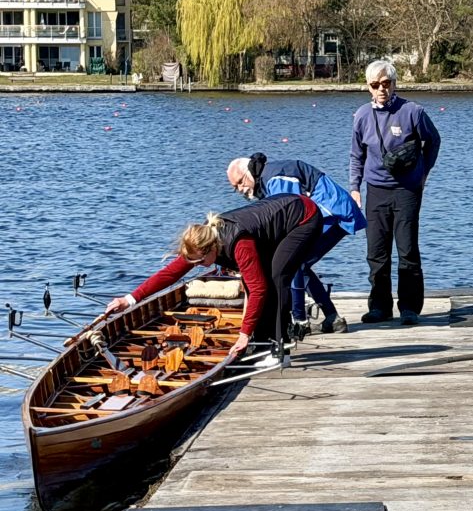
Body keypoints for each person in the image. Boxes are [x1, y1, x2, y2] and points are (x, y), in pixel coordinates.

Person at [104, 194, 323, 363]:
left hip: (304, 217)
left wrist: (244, 333)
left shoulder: (240, 243)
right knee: (258, 279)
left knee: (276, 277)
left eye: (200, 262)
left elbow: (258, 290)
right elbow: (170, 274)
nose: (198, 266)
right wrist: (130, 299)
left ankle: (278, 348)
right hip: (276, 218)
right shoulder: (200, 241)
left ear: (212, 250)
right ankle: (262, 343)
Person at [227, 153, 364, 336]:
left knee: (296, 262)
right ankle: (332, 318)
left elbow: (293, 214)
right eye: (235, 188)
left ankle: (301, 320)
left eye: (240, 183)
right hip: (323, 214)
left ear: (248, 171)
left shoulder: (276, 179)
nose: (241, 190)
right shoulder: (266, 181)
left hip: (334, 212)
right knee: (301, 264)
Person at [350, 60, 440, 326]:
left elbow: (433, 141)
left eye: (386, 84)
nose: (381, 90)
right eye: (375, 85)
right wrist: (354, 188)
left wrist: (423, 173)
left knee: (407, 249)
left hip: (407, 190)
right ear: (368, 87)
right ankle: (379, 306)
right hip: (375, 190)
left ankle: (410, 307)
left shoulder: (413, 112)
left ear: (394, 83)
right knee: (376, 252)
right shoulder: (362, 116)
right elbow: (356, 155)